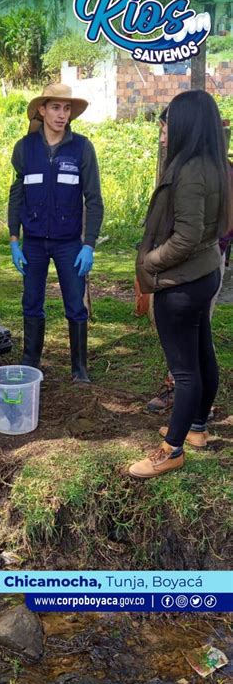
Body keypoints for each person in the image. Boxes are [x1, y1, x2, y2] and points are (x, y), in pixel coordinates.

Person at [130, 90, 232, 478]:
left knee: (185, 370)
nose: (163, 127)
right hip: (204, 275)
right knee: (203, 355)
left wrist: (148, 264)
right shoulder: (215, 164)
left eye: (168, 120)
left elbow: (185, 238)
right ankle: (197, 429)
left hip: (181, 282)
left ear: (185, 124)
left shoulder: (189, 172)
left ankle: (171, 449)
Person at [7, 83, 104, 381]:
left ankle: (79, 369)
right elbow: (16, 195)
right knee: (31, 302)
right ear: (42, 110)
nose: (62, 115)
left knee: (76, 305)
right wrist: (14, 239)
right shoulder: (25, 148)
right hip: (33, 242)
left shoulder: (82, 148)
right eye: (56, 108)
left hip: (69, 244)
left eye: (67, 109)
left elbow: (94, 200)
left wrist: (89, 245)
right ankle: (31, 362)